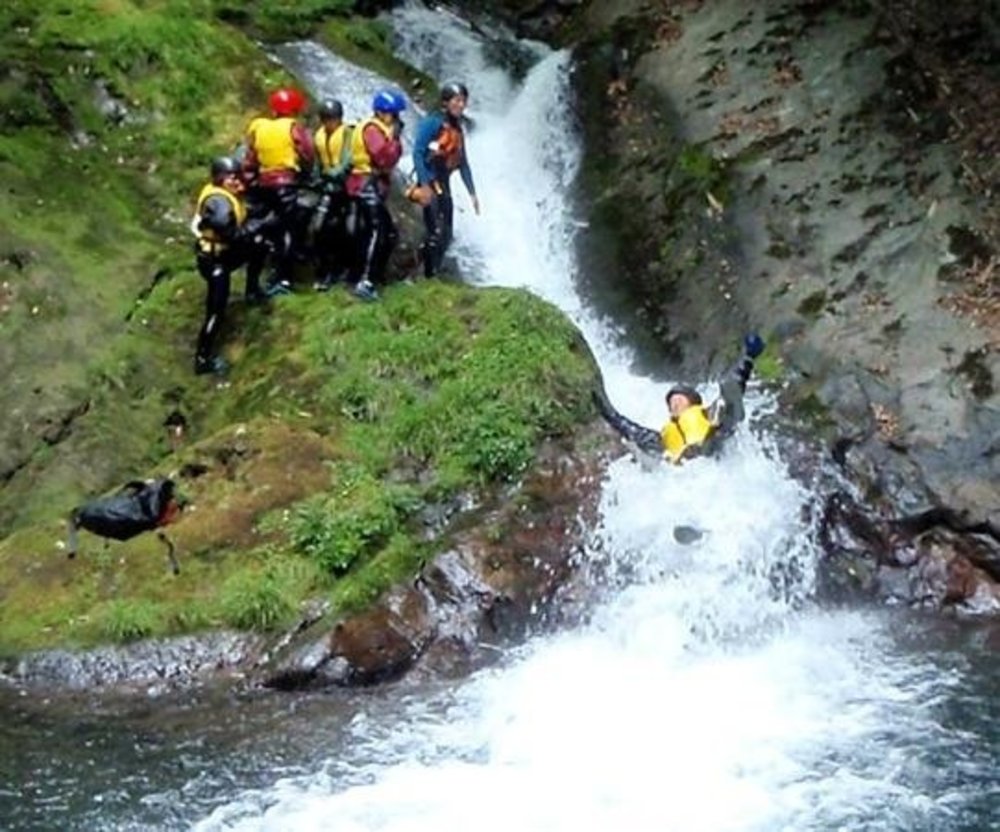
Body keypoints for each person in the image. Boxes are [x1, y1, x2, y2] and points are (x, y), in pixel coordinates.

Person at [593, 334, 767, 463]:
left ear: (692, 402)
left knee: (728, 395)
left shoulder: (707, 413)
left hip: (712, 445)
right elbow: (629, 428)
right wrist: (604, 408)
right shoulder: (663, 437)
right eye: (671, 402)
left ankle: (748, 356)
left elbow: (730, 392)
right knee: (648, 453)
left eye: (679, 399)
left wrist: (747, 359)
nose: (674, 403)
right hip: (686, 470)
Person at [191, 156, 268, 376]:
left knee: (260, 245)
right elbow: (230, 232)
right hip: (215, 262)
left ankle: (252, 290)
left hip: (224, 254)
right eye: (230, 177)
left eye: (237, 176)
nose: (235, 181)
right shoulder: (218, 202)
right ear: (219, 179)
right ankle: (202, 359)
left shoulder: (226, 196)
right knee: (216, 312)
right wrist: (256, 225)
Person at [243, 87, 316, 295]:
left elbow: (251, 158)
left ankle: (263, 274)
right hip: (286, 183)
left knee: (270, 228)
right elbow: (307, 153)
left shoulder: (259, 128)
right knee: (287, 229)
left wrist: (251, 180)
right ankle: (283, 278)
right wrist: (306, 172)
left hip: (264, 185)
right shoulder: (293, 127)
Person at [411, 80, 479, 278]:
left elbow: (463, 163)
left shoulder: (456, 128)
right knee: (434, 231)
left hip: (444, 183)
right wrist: (424, 186)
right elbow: (417, 152)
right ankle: (428, 275)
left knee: (447, 232)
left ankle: (434, 271)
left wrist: (472, 193)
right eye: (457, 100)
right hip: (430, 180)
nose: (461, 105)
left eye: (463, 101)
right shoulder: (433, 122)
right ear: (446, 102)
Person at [345, 88, 407, 301]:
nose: (396, 118)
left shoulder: (371, 127)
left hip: (364, 185)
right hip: (367, 185)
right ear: (382, 112)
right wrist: (396, 140)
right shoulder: (372, 129)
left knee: (384, 232)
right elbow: (384, 159)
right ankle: (366, 280)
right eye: (394, 114)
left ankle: (366, 276)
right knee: (378, 231)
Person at [311, 98, 355, 291]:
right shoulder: (319, 135)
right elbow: (317, 162)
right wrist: (317, 178)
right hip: (328, 188)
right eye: (327, 119)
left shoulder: (347, 133)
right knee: (320, 228)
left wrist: (334, 173)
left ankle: (343, 270)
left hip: (347, 188)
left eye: (334, 118)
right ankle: (324, 270)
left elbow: (348, 160)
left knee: (348, 230)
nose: (331, 122)